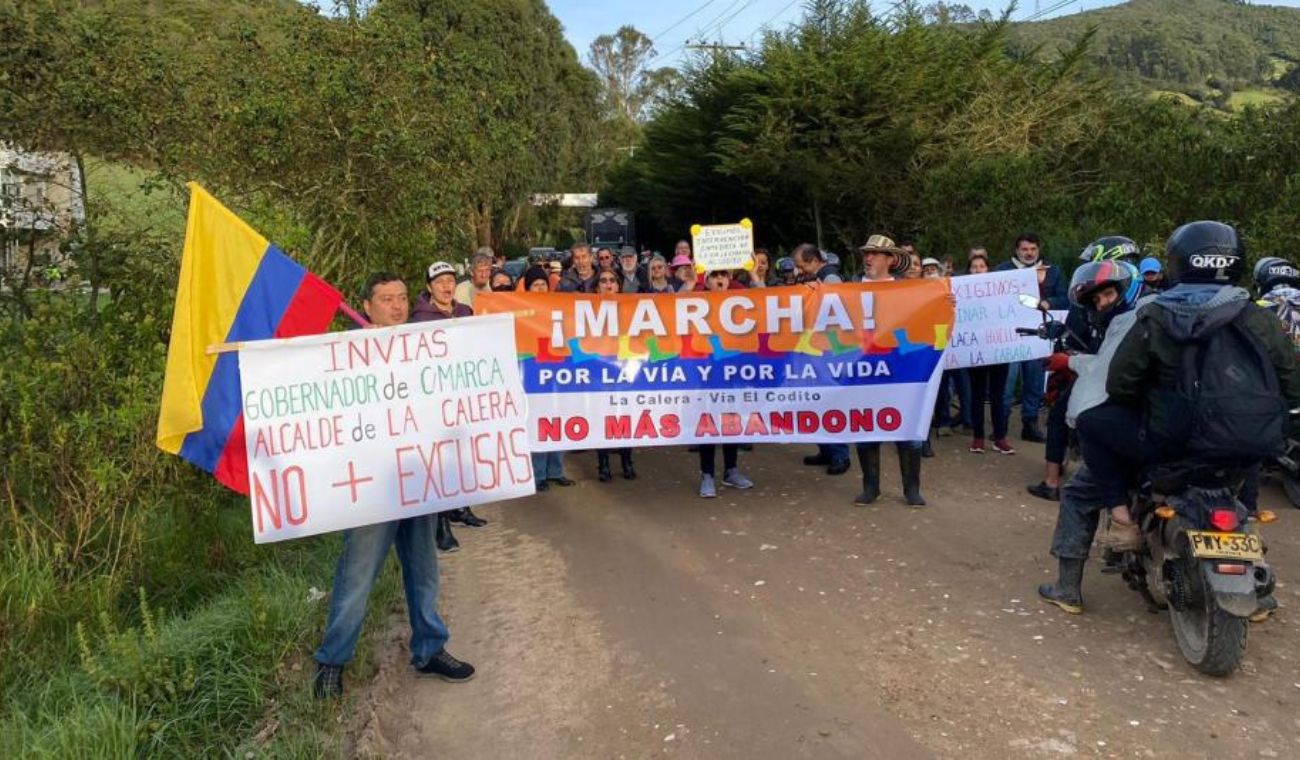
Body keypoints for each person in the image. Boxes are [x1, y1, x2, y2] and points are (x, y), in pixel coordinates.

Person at [1040, 221, 1300, 614]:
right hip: (1247, 441)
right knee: (1243, 463)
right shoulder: (1257, 316)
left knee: (1087, 452)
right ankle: (1257, 576)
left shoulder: (1158, 315)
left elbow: (1122, 383)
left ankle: (1086, 566)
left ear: (1177, 263)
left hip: (1168, 441)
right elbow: (1291, 384)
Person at [313, 272, 476, 700]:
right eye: (387, 299)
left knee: (424, 568)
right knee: (357, 575)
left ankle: (430, 648)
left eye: (403, 298)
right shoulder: (345, 354)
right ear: (366, 306)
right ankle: (332, 661)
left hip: (418, 478)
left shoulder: (424, 347)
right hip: (369, 488)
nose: (398, 306)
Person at [1028, 236, 1142, 500]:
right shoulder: (1127, 305)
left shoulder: (1134, 313)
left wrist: (1068, 360)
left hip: (1110, 379)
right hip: (1108, 376)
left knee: (1062, 416)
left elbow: (1107, 359)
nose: (1100, 300)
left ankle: (1052, 482)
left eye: (1107, 293)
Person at [412, 262, 486, 552]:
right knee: (440, 460)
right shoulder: (419, 320)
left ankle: (462, 508)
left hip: (462, 396)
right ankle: (441, 524)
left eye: (450, 281)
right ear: (429, 287)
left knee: (462, 455)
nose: (446, 286)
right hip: (434, 401)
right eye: (440, 281)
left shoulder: (464, 312)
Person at [853, 234, 927, 507]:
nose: (868, 258)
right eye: (866, 253)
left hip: (899, 370)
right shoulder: (850, 290)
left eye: (874, 253)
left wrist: (946, 306)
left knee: (907, 428)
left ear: (891, 260)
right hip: (863, 370)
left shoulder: (906, 291)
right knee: (865, 428)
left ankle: (912, 488)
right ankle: (871, 487)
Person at [995, 233, 1066, 443]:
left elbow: (1065, 298)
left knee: (1034, 381)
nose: (1029, 253)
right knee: (1007, 382)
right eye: (1025, 249)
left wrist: (1049, 302)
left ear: (1038, 249)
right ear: (1017, 250)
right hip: (1010, 335)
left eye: (1033, 249)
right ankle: (1001, 425)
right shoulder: (1002, 271)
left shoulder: (1053, 271)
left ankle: (1030, 423)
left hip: (1039, 334)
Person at [790, 243, 851, 475]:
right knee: (816, 401)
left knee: (830, 402)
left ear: (814, 261)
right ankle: (826, 450)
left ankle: (840, 455)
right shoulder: (817, 277)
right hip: (816, 348)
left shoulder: (830, 277)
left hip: (829, 351)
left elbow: (838, 309)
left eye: (802, 265)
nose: (799, 270)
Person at [695, 268, 756, 497]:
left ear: (729, 279)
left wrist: (757, 279)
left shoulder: (740, 304)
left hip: (732, 373)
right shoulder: (697, 301)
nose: (719, 280)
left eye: (723, 275)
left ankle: (731, 470)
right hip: (707, 374)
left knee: (731, 420)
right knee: (708, 423)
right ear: (707, 280)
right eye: (714, 276)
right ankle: (707, 475)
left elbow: (766, 308)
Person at [522, 267, 575, 491]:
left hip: (558, 374)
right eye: (535, 285)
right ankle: (539, 475)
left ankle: (557, 471)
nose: (541, 288)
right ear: (528, 288)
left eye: (543, 284)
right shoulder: (522, 312)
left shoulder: (559, 307)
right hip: (534, 378)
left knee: (558, 424)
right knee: (539, 426)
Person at [963, 252, 1015, 455]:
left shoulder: (999, 291)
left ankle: (1000, 438)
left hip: (998, 351)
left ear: (988, 269)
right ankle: (978, 438)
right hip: (975, 351)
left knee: (998, 395)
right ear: (968, 271)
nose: (977, 270)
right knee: (977, 395)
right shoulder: (961, 292)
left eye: (981, 266)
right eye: (974, 267)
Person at [593, 271, 637, 481]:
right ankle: (603, 464)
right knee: (603, 419)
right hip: (600, 374)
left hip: (625, 370)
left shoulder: (630, 308)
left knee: (625, 418)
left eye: (612, 281)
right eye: (603, 281)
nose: (608, 284)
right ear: (596, 287)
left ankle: (627, 461)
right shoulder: (585, 310)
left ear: (618, 285)